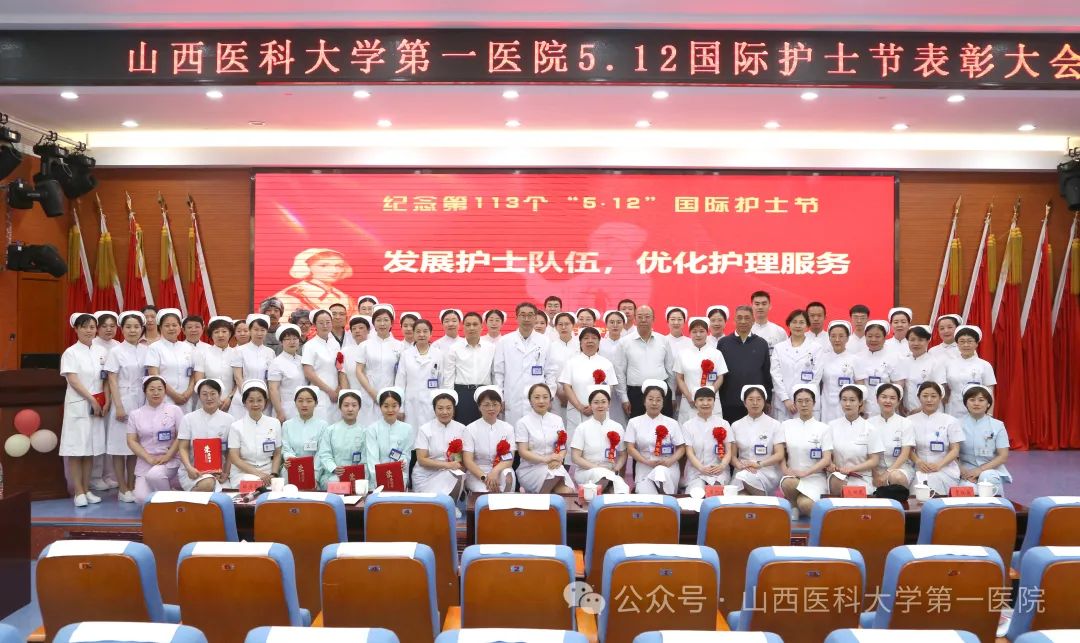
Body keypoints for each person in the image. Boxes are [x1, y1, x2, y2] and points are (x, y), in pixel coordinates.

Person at [60, 313, 109, 507]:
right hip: (79, 405)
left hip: (97, 406)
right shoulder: (71, 353)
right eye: (85, 327)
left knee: (90, 449)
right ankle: (78, 491)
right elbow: (73, 380)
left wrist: (105, 401)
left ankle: (87, 489)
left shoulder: (101, 351)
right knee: (76, 449)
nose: (89, 330)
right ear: (76, 329)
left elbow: (105, 378)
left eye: (92, 327)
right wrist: (92, 400)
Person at [105, 310, 149, 503]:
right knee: (118, 446)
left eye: (136, 327)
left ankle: (132, 485)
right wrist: (119, 406)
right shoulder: (116, 351)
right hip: (122, 398)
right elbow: (112, 380)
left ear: (142, 329)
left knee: (134, 446)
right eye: (128, 327)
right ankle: (122, 487)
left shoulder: (146, 350)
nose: (133, 330)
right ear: (122, 329)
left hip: (141, 400)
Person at [493, 302, 555, 426]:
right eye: (523, 315)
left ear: (535, 318)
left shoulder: (545, 342)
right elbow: (498, 373)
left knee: (536, 433)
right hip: (512, 398)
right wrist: (500, 397)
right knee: (512, 431)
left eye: (530, 315)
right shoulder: (504, 341)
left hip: (538, 399)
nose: (526, 319)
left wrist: (549, 396)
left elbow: (550, 372)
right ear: (516, 317)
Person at [126, 376, 184, 502]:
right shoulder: (135, 414)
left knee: (155, 476)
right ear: (145, 391)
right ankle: (168, 492)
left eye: (160, 389)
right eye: (151, 389)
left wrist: (168, 456)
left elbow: (181, 436)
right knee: (141, 498)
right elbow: (131, 440)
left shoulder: (174, 410)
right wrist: (148, 458)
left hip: (170, 459)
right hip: (146, 461)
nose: (156, 392)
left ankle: (169, 502)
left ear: (165, 391)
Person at [778, 386, 832, 517]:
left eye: (807, 401)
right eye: (799, 401)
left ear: (814, 403)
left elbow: (827, 459)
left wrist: (806, 472)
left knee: (806, 505)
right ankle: (793, 505)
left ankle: (799, 504)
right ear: (794, 404)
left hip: (815, 477)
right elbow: (780, 452)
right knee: (789, 483)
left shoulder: (823, 428)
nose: (803, 404)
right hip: (793, 476)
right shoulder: (786, 425)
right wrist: (785, 469)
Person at [625, 380, 685, 494]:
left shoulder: (672, 423)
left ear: (663, 403)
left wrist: (670, 461)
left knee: (661, 472)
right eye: (650, 399)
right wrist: (646, 462)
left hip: (667, 466)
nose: (654, 403)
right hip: (644, 465)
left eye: (658, 400)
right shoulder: (634, 422)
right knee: (646, 495)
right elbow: (630, 448)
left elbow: (681, 448)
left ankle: (667, 500)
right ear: (644, 401)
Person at [617, 305, 675, 418]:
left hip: (662, 392)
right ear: (635, 318)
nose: (643, 320)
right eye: (640, 316)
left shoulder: (663, 340)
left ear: (653, 319)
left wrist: (672, 396)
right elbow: (620, 372)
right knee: (637, 426)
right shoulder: (624, 342)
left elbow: (670, 370)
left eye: (647, 316)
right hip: (636, 393)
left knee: (664, 426)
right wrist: (624, 398)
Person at [908, 381, 965, 496]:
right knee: (919, 489)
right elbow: (907, 448)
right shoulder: (909, 420)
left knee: (932, 482)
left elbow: (955, 450)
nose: (929, 400)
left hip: (945, 468)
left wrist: (939, 465)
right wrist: (918, 461)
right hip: (919, 467)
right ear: (919, 398)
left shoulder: (951, 421)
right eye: (925, 396)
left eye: (933, 396)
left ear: (940, 398)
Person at [717, 306, 772, 425]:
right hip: (729, 402)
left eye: (747, 318)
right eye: (739, 318)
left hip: (755, 403)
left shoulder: (761, 343)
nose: (743, 321)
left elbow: (766, 373)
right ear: (734, 320)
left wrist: (768, 399)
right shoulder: (723, 343)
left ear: (753, 320)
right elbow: (719, 374)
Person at [515, 383, 574, 493]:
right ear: (530, 401)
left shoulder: (557, 420)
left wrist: (559, 458)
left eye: (545, 397)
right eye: (537, 397)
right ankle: (539, 501)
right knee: (552, 479)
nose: (541, 401)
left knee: (567, 491)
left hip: (555, 466)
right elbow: (523, 452)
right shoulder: (523, 423)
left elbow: (562, 446)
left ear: (550, 399)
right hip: (531, 468)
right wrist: (545, 459)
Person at [826, 384, 884, 496]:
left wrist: (852, 468)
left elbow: (874, 460)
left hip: (862, 477)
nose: (847, 404)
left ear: (860, 402)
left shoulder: (870, 428)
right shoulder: (831, 426)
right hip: (838, 476)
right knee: (838, 482)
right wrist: (831, 464)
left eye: (852, 400)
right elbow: (827, 454)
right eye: (844, 400)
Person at [559, 326, 619, 433]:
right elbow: (566, 386)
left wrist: (595, 407)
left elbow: (609, 388)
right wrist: (579, 407)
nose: (590, 341)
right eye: (586, 338)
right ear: (580, 343)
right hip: (576, 412)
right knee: (576, 439)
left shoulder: (606, 363)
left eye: (594, 338)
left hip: (599, 411)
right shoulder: (571, 363)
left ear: (599, 342)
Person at [570, 385, 629, 493]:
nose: (600, 405)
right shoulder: (582, 428)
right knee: (601, 474)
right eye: (596, 402)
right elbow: (575, 457)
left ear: (609, 404)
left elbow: (623, 454)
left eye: (603, 402)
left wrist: (617, 468)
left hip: (610, 472)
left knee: (622, 488)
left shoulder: (617, 427)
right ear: (590, 405)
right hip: (586, 472)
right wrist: (597, 467)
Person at [177, 379, 233, 491]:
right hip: (193, 471)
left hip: (220, 471)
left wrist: (226, 472)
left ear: (219, 395)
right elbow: (183, 448)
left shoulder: (229, 420)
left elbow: (231, 451)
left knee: (229, 493)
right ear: (199, 396)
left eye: (213, 393)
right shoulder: (188, 419)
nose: (209, 398)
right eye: (204, 394)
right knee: (208, 484)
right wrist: (189, 468)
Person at [354, 305, 404, 427]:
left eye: (386, 320)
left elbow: (401, 374)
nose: (382, 324)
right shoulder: (365, 345)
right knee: (368, 427)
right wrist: (372, 392)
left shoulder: (400, 346)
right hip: (369, 392)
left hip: (391, 394)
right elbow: (359, 371)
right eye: (378, 320)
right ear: (373, 323)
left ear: (391, 323)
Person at [769, 309, 823, 422]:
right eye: (794, 322)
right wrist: (785, 399)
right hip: (784, 403)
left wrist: (803, 399)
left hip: (807, 403)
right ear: (788, 324)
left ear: (807, 325)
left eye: (802, 322)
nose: (798, 326)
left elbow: (816, 376)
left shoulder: (816, 348)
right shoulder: (779, 348)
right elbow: (776, 375)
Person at [730, 385, 785, 496]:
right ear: (745, 403)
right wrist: (739, 465)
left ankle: (767, 501)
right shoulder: (736, 425)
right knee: (741, 495)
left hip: (766, 470)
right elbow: (732, 456)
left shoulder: (775, 425)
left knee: (742, 481)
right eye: (751, 399)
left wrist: (759, 464)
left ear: (764, 402)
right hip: (743, 469)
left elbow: (780, 454)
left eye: (759, 399)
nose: (755, 403)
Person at [958, 385, 1011, 496]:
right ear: (966, 403)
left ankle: (996, 506)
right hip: (965, 470)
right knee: (967, 490)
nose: (976, 403)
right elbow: (951, 452)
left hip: (990, 468)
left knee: (988, 479)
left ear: (988, 404)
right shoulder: (956, 424)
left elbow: (1003, 456)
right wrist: (961, 469)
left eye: (981, 400)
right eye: (972, 400)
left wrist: (980, 470)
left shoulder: (998, 425)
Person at [395, 319, 445, 437]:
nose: (421, 334)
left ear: (431, 333)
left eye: (425, 331)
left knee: (432, 435)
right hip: (411, 404)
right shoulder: (406, 354)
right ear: (413, 334)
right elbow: (400, 382)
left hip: (432, 403)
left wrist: (442, 405)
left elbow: (442, 381)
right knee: (411, 436)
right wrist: (400, 408)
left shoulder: (438, 354)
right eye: (418, 331)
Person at [412, 389, 467, 497]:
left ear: (454, 409)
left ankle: (450, 504)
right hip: (425, 475)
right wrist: (447, 465)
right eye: (440, 408)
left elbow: (462, 458)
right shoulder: (425, 429)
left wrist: (455, 465)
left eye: (448, 408)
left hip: (451, 472)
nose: (445, 412)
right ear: (434, 409)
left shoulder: (462, 429)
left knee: (456, 475)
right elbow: (422, 460)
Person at [442, 312, 495, 426]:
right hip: (462, 394)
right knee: (463, 428)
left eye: (475, 324)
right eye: (468, 324)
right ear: (463, 327)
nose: (471, 328)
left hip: (485, 394)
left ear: (481, 326)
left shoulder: (491, 348)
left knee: (485, 428)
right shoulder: (454, 348)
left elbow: (494, 374)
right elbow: (449, 377)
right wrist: (450, 401)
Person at [228, 380, 283, 487]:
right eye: (251, 400)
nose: (255, 404)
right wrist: (259, 474)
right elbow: (234, 458)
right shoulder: (236, 426)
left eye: (259, 400)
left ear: (265, 402)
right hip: (243, 472)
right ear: (244, 402)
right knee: (254, 484)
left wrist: (274, 474)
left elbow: (277, 453)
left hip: (268, 471)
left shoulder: (274, 423)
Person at [462, 386, 517, 493]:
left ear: (500, 406)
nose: (491, 408)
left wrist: (494, 472)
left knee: (508, 477)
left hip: (500, 470)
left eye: (495, 404)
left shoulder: (508, 428)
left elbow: (509, 459)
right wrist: (485, 478)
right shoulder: (470, 429)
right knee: (485, 493)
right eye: (486, 405)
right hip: (477, 473)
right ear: (479, 407)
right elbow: (468, 461)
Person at [273, 248, 353, 319]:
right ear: (308, 267)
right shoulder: (293, 295)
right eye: (324, 265)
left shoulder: (344, 297)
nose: (334, 271)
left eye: (339, 266)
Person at [680, 387, 733, 493]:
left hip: (719, 470)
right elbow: (689, 452)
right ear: (695, 403)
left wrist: (722, 466)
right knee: (697, 492)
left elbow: (729, 451)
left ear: (714, 402)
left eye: (709, 400)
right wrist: (701, 468)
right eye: (701, 400)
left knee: (716, 491)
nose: (705, 403)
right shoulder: (688, 425)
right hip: (696, 471)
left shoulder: (724, 424)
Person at [145, 308, 195, 413]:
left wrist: (188, 393)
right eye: (167, 326)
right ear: (160, 328)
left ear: (180, 327)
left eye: (174, 325)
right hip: (165, 398)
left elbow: (193, 374)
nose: (171, 328)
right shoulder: (154, 348)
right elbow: (154, 376)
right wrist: (174, 396)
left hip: (186, 399)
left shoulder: (187, 347)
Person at [855, 320, 907, 417]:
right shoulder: (858, 357)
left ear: (884, 338)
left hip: (887, 406)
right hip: (864, 407)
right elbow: (859, 383)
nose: (873, 339)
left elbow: (899, 384)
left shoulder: (894, 357)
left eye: (878, 336)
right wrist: (861, 406)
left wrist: (894, 405)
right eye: (870, 336)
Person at [316, 390, 367, 489]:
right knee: (335, 482)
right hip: (333, 476)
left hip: (356, 476)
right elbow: (324, 454)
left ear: (359, 407)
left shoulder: (364, 432)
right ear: (340, 407)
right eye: (346, 405)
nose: (350, 409)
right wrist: (333, 468)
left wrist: (357, 472)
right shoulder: (330, 430)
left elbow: (365, 458)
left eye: (354, 405)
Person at [869, 383, 916, 489]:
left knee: (897, 477)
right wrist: (875, 474)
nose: (888, 401)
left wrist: (887, 473)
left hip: (899, 467)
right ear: (877, 399)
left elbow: (905, 454)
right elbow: (867, 454)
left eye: (892, 398)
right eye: (884, 397)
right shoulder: (869, 423)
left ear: (898, 402)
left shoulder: (906, 423)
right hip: (874, 469)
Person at [943, 325, 997, 418]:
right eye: (962, 341)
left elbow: (990, 392)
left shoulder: (985, 365)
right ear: (957, 344)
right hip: (953, 409)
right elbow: (945, 389)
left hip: (977, 410)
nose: (966, 345)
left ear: (976, 344)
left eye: (970, 341)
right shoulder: (948, 364)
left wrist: (989, 414)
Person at [365, 387, 414, 488]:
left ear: (399, 406)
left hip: (399, 475)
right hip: (377, 479)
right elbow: (372, 459)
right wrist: (380, 478)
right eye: (386, 406)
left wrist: (403, 461)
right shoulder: (372, 429)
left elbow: (406, 454)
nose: (390, 410)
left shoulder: (407, 429)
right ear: (380, 407)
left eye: (394, 406)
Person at [229, 313, 275, 419]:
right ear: (250, 330)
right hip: (243, 397)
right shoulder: (239, 351)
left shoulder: (270, 352)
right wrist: (246, 395)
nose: (259, 333)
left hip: (263, 398)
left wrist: (266, 396)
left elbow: (270, 378)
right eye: (256, 329)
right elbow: (238, 377)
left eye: (262, 330)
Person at [302, 308, 344, 423]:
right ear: (314, 325)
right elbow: (308, 372)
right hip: (319, 391)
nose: (325, 325)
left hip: (336, 391)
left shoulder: (335, 343)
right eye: (321, 323)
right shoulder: (310, 345)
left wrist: (339, 387)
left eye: (328, 322)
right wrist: (329, 391)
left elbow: (339, 367)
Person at [195, 316, 236, 415]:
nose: (220, 335)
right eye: (216, 332)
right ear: (211, 335)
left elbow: (239, 381)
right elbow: (198, 380)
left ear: (230, 333)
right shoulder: (203, 353)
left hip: (231, 403)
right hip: (207, 402)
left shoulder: (237, 353)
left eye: (224, 331)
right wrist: (214, 400)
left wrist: (230, 398)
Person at [901, 325, 947, 415]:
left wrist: (921, 409)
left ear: (928, 341)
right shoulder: (903, 362)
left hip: (930, 411)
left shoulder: (935, 363)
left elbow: (941, 390)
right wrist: (900, 406)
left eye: (920, 340)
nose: (916, 343)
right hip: (908, 412)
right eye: (912, 340)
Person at [279, 386, 327, 470]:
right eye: (300, 401)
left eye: (309, 401)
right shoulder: (287, 425)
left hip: (315, 469)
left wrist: (313, 470)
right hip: (292, 467)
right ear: (295, 403)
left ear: (316, 403)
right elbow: (286, 450)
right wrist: (292, 461)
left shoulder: (323, 425)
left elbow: (321, 452)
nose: (304, 405)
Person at [819, 321, 859, 423]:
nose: (837, 340)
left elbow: (860, 384)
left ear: (847, 338)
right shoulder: (822, 358)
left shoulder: (854, 359)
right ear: (829, 338)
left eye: (841, 336)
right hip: (826, 403)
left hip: (848, 404)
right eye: (833, 336)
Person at [268, 324, 307, 421]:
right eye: (288, 339)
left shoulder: (303, 360)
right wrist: (279, 412)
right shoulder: (276, 363)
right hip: (286, 409)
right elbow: (273, 389)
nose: (292, 342)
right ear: (281, 342)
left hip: (304, 407)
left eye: (295, 338)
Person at [548, 312, 580, 422]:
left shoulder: (580, 346)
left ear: (573, 325)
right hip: (556, 395)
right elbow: (549, 372)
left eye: (567, 324)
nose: (563, 327)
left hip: (578, 393)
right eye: (560, 324)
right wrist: (559, 392)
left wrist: (572, 393)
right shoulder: (550, 347)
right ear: (556, 327)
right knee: (557, 423)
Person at [341, 314, 371, 394]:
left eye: (361, 328)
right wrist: (346, 395)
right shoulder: (344, 352)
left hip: (374, 394)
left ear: (368, 330)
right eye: (354, 328)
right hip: (354, 395)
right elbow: (343, 374)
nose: (357, 331)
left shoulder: (375, 349)